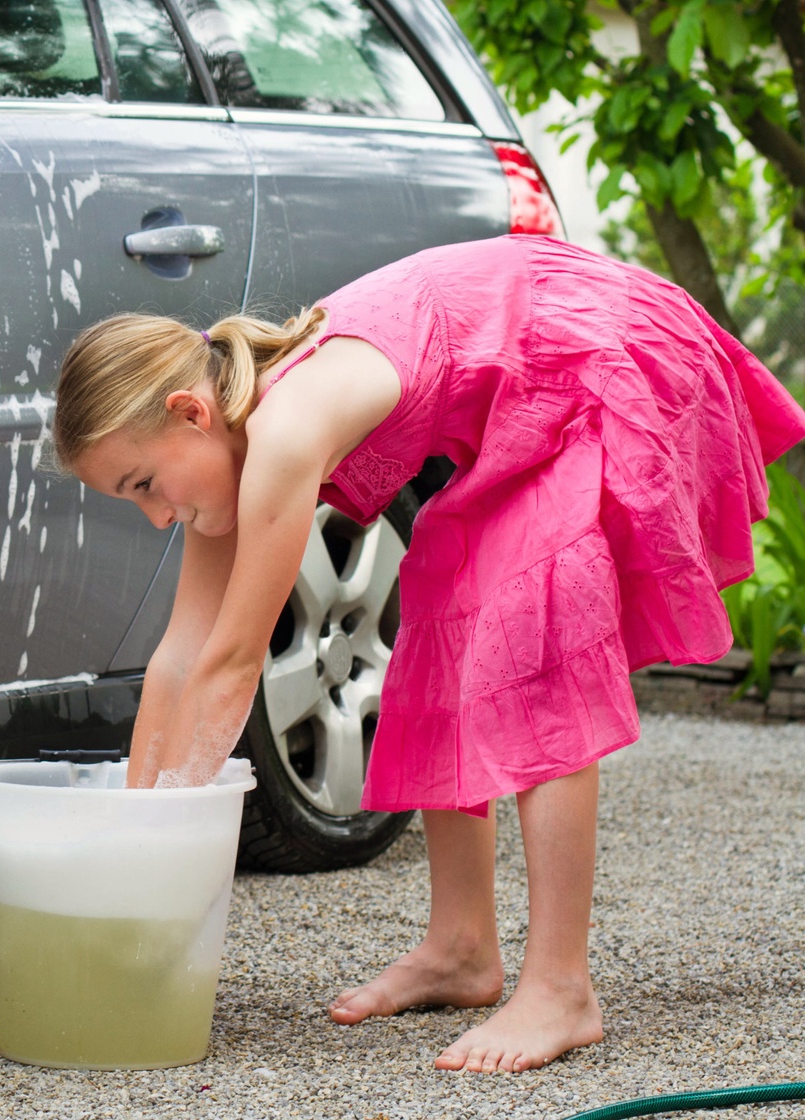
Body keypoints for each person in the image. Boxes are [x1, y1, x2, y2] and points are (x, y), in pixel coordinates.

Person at [51, 234, 805, 1074]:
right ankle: (461, 949)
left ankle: (561, 987)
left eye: (143, 485)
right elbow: (181, 658)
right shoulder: (229, 442)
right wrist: (128, 835)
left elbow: (231, 668)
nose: (156, 516)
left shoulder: (287, 429)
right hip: (526, 390)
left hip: (599, 351)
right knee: (445, 615)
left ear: (192, 413)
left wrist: (148, 880)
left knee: (536, 639)